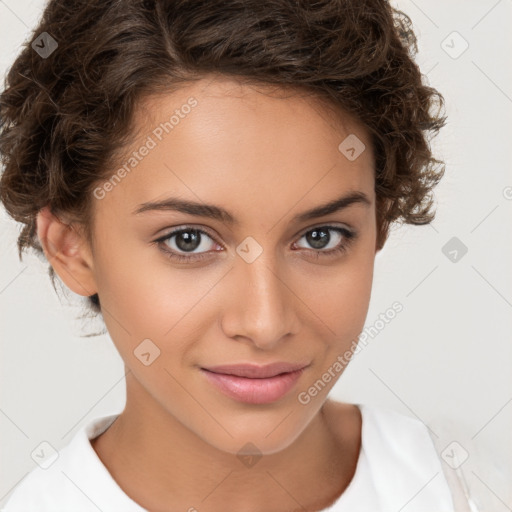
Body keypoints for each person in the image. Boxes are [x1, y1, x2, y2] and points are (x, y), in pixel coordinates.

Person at [0, 0, 474, 510]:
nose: (265, 323)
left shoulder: (468, 486)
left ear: (379, 224)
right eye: (188, 240)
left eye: (321, 237)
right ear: (72, 247)